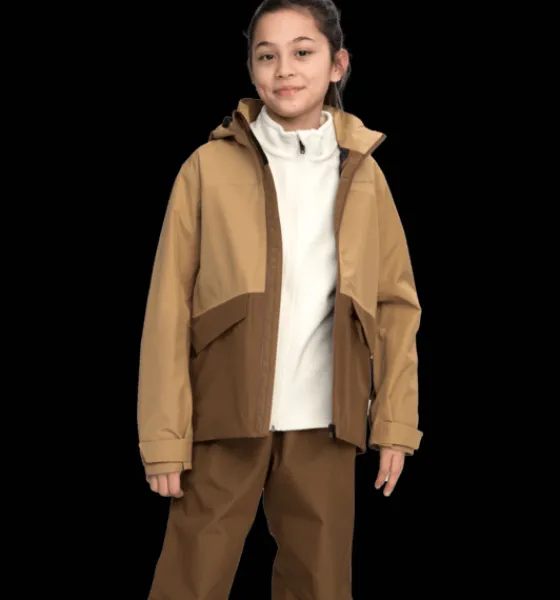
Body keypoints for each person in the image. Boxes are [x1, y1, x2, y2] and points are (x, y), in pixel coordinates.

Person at [137, 0, 423, 598]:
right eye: (266, 55)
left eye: (303, 52)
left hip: (327, 419)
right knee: (190, 581)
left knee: (320, 585)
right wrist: (163, 437)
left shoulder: (364, 174)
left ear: (338, 64)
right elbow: (167, 308)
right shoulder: (206, 168)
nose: (284, 69)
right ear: (251, 68)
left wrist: (395, 422)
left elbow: (395, 306)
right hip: (222, 416)